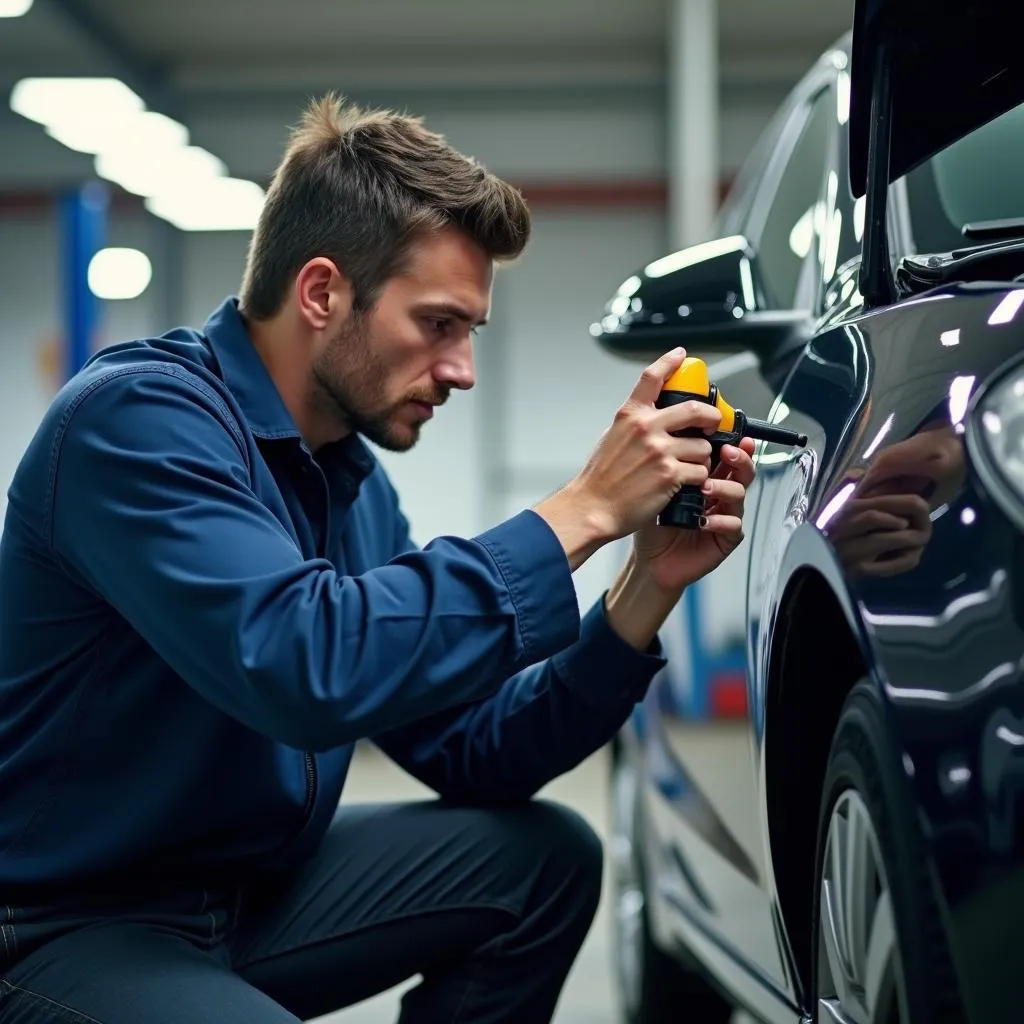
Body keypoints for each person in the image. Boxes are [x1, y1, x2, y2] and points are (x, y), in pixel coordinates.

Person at [0, 95, 756, 1023]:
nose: (462, 369)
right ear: (322, 293)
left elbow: (474, 749)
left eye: (470, 332)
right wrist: (584, 509)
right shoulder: (137, 424)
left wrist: (644, 587)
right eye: (438, 324)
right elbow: (300, 663)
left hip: (244, 898)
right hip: (67, 924)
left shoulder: (344, 478)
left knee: (542, 862)